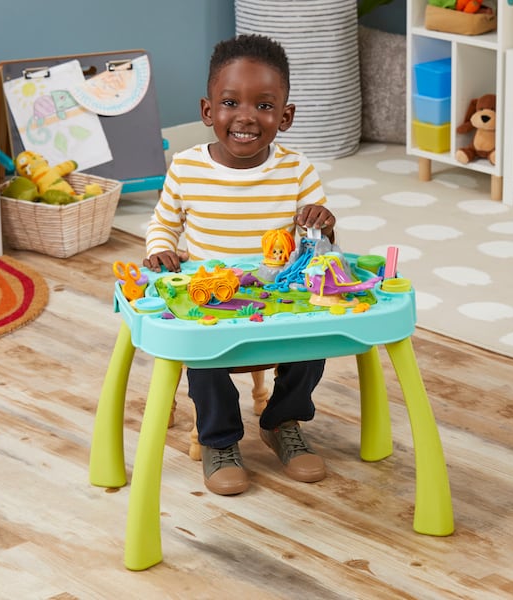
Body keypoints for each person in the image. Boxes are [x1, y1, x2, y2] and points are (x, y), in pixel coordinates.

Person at [143, 34, 336, 496]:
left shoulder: (297, 170)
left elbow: (321, 246)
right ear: (209, 111)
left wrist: (323, 225)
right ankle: (220, 440)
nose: (247, 116)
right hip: (216, 299)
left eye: (265, 106)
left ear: (284, 117)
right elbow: (162, 225)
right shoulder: (187, 168)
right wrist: (159, 253)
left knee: (317, 342)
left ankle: (281, 420)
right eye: (231, 102)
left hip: (279, 299)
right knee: (202, 353)